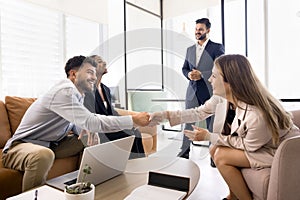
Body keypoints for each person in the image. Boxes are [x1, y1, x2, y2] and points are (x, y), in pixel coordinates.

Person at [151, 54, 300, 200]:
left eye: (214, 76)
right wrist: (163, 115)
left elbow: (248, 146)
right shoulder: (221, 98)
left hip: (281, 152)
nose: (209, 79)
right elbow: (198, 112)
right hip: (258, 145)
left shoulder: (257, 115)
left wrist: (208, 136)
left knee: (221, 156)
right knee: (214, 149)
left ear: (230, 82)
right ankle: (234, 195)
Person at [2, 56, 150, 192]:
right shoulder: (64, 91)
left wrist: (85, 129)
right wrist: (133, 120)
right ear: (73, 74)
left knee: (88, 140)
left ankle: (86, 186)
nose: (94, 77)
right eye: (90, 73)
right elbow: (91, 120)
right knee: (43, 155)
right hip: (20, 146)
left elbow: (76, 121)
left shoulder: (79, 95)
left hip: (52, 144)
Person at [79, 55, 145, 159]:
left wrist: (129, 122)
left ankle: (139, 163)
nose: (104, 63)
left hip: (110, 125)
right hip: (101, 128)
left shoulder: (105, 89)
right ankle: (132, 164)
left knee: (135, 131)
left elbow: (112, 112)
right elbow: (91, 114)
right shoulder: (87, 90)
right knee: (128, 135)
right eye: (100, 62)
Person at [180, 18, 225, 159]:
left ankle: (214, 155)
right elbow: (184, 68)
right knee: (188, 121)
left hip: (210, 91)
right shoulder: (189, 50)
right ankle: (185, 151)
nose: (197, 32)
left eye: (200, 29)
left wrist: (202, 75)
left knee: (212, 124)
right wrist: (189, 74)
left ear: (208, 30)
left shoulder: (217, 47)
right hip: (192, 91)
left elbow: (220, 69)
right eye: (196, 29)